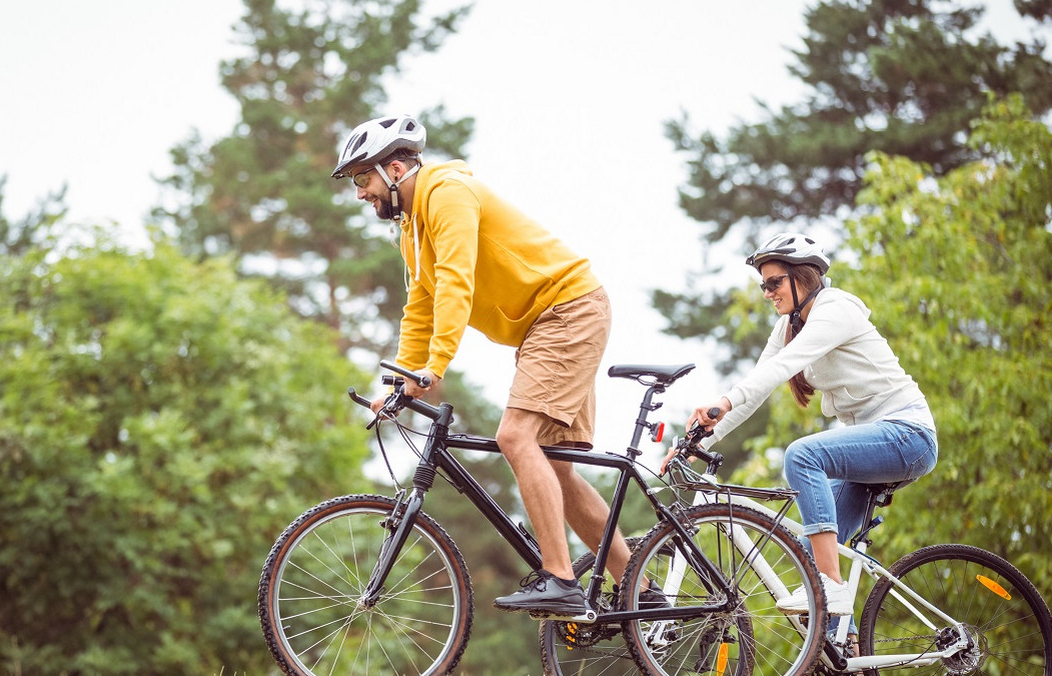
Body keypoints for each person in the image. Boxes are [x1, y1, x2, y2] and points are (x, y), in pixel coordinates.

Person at [332, 114, 634, 617]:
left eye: (363, 179)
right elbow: (421, 305)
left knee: (515, 437)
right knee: (555, 468)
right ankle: (641, 588)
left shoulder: (445, 192)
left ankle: (561, 579)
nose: (360, 193)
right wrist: (401, 378)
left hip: (567, 310)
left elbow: (456, 280)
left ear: (396, 167)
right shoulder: (410, 230)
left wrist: (437, 365)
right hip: (548, 324)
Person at [674, 232, 938, 621]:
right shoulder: (787, 328)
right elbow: (759, 382)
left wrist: (724, 402)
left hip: (908, 435)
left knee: (802, 455)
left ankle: (828, 588)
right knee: (807, 548)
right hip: (873, 447)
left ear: (805, 277)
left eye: (774, 282)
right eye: (763, 284)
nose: (767, 292)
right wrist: (695, 439)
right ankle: (840, 645)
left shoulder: (836, 309)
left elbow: (780, 368)